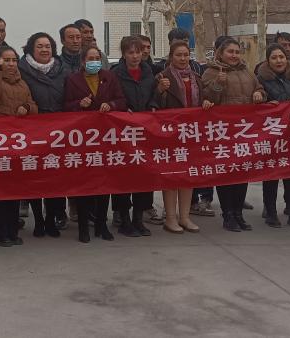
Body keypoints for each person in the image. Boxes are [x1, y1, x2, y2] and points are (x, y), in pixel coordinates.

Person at [202, 38, 266, 232]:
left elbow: (260, 88)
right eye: (230, 52)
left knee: (242, 172)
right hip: (223, 132)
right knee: (225, 174)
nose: (234, 55)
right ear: (220, 53)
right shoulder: (211, 72)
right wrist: (218, 84)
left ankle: (238, 213)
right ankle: (228, 214)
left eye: (237, 52)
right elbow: (206, 99)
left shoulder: (247, 71)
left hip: (244, 131)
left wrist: (259, 94)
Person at [63, 46, 123, 243]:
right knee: (84, 183)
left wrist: (111, 105)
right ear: (83, 61)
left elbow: (121, 100)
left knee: (105, 183)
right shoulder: (73, 79)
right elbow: (65, 105)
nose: (94, 61)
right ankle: (83, 226)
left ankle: (101, 225)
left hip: (105, 137)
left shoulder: (109, 77)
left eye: (97, 58)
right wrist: (78, 105)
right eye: (90, 58)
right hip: (83, 139)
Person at [0, 46, 38, 247]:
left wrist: (27, 107)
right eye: (6, 60)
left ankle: (12, 231)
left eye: (14, 60)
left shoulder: (22, 83)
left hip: (18, 143)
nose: (11, 64)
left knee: (15, 188)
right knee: (0, 191)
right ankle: (0, 233)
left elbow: (34, 105)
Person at [18, 32, 71, 237]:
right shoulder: (22, 69)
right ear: (31, 49)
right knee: (34, 178)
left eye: (48, 46)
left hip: (59, 131)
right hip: (33, 131)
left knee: (55, 178)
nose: (44, 49)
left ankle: (51, 219)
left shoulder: (63, 69)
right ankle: (38, 220)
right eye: (39, 46)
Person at [109, 36, 162, 237]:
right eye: (130, 52)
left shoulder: (148, 72)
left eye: (138, 52)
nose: (135, 56)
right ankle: (124, 219)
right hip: (123, 132)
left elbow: (154, 95)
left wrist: (153, 106)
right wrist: (123, 109)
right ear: (124, 54)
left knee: (144, 176)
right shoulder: (115, 74)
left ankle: (138, 219)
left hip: (144, 131)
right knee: (124, 177)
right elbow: (112, 97)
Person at [157, 40, 209, 234]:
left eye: (186, 55)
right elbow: (153, 104)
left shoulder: (196, 77)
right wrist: (160, 90)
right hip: (170, 134)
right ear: (171, 57)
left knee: (188, 175)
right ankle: (170, 218)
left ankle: (184, 217)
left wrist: (208, 102)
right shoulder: (162, 77)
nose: (182, 58)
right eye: (178, 55)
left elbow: (204, 99)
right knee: (171, 176)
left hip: (191, 133)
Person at [257, 44, 290, 229]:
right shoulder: (260, 79)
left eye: (281, 57)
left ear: (286, 59)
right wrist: (265, 103)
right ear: (268, 61)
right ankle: (271, 213)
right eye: (274, 57)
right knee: (270, 176)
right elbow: (254, 103)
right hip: (271, 135)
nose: (278, 60)